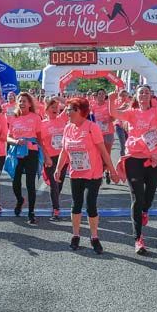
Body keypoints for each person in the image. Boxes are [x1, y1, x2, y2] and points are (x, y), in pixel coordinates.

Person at [54, 97, 120, 253]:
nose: (66, 112)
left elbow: (103, 151)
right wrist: (58, 169)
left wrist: (112, 171)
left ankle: (94, 236)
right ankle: (75, 235)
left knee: (91, 205)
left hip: (93, 173)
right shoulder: (68, 128)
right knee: (76, 205)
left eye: (69, 109)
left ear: (78, 111)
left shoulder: (92, 127)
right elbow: (64, 151)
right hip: (76, 173)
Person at [108, 87, 157, 254]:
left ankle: (145, 210)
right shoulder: (131, 112)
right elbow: (114, 113)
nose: (143, 95)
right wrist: (112, 100)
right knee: (137, 197)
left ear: (150, 96)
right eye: (140, 92)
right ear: (136, 96)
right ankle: (138, 238)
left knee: (149, 196)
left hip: (153, 158)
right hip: (134, 158)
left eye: (146, 92)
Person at [7, 92, 47, 224]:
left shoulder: (35, 117)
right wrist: (15, 141)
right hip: (17, 152)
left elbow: (40, 138)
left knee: (30, 183)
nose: (22, 103)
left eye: (24, 101)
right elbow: (8, 137)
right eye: (20, 101)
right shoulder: (13, 117)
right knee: (15, 181)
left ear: (30, 104)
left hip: (31, 152)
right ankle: (20, 200)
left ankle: (31, 212)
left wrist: (46, 155)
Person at [41, 97, 69, 221]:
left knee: (60, 183)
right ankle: (55, 209)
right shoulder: (42, 124)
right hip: (50, 158)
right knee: (54, 184)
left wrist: (57, 98)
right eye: (52, 107)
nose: (55, 110)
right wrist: (46, 157)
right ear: (46, 110)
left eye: (57, 108)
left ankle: (56, 203)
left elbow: (70, 104)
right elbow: (40, 143)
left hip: (63, 157)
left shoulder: (62, 118)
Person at [91, 89, 116, 183]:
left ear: (105, 95)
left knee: (107, 154)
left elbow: (114, 117)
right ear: (97, 96)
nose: (101, 95)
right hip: (97, 134)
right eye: (99, 94)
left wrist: (108, 121)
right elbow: (91, 119)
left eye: (103, 94)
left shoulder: (108, 105)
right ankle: (99, 174)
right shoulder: (93, 107)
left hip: (108, 133)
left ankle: (107, 172)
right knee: (98, 154)